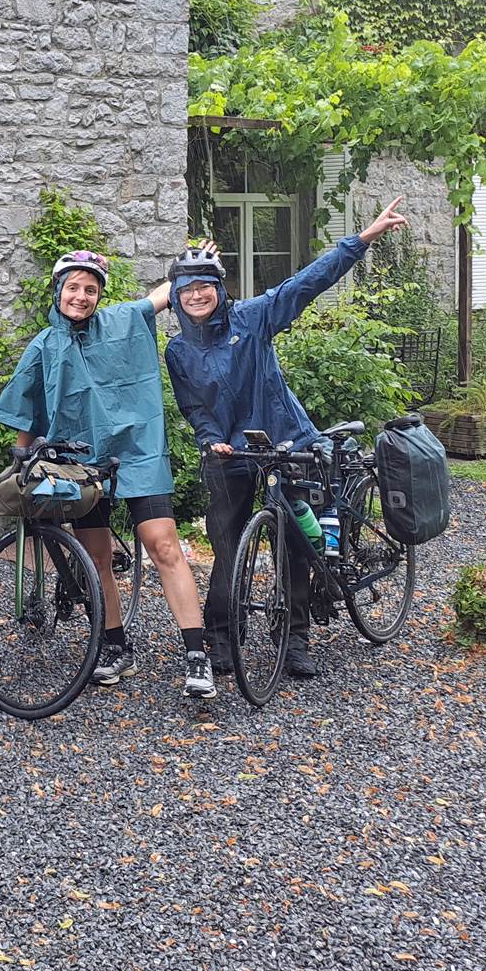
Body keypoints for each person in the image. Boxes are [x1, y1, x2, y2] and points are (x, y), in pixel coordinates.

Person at [166, 198, 410, 679]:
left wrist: (362, 239)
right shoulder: (178, 350)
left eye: (204, 286)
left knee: (295, 543)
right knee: (227, 548)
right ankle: (221, 639)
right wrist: (211, 439)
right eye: (186, 289)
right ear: (175, 297)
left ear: (219, 289)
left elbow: (306, 283)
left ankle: (295, 638)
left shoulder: (252, 318)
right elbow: (194, 408)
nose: (196, 296)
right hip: (229, 454)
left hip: (286, 443)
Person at [0, 250, 218, 699]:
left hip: (137, 452)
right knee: (96, 558)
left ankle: (196, 655)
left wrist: (189, 269)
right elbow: (25, 410)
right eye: (73, 288)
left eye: (90, 290)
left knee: (163, 545)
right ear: (59, 291)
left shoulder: (122, 321)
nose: (81, 296)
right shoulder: (43, 346)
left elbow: (161, 296)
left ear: (100, 295)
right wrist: (22, 460)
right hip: (80, 462)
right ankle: (116, 646)